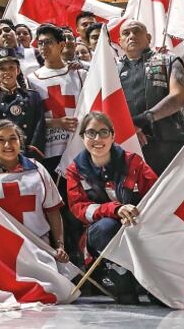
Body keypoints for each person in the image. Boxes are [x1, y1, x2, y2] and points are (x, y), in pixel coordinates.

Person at [65, 112, 157, 304]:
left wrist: (135, 213)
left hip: (137, 227)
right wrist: (115, 210)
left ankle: (153, 282)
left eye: (103, 132)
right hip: (99, 235)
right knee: (108, 226)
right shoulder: (75, 171)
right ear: (82, 138)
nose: (97, 139)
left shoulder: (134, 162)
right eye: (91, 133)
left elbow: (156, 195)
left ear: (113, 136)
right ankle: (121, 279)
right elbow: (79, 209)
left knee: (161, 300)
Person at [0, 120, 67, 263]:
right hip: (1, 252)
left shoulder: (37, 169)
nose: (7, 145)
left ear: (20, 141)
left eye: (12, 139)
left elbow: (52, 210)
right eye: (1, 140)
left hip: (38, 248)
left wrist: (59, 245)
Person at [117, 19, 184, 175]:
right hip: (133, 147)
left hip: (172, 143)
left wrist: (143, 119)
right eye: (126, 33)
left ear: (148, 38)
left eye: (137, 31)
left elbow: (179, 96)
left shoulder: (168, 60)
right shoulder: (112, 72)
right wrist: (129, 128)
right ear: (120, 42)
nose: (131, 36)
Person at [26, 24, 84, 170]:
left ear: (61, 45)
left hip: (79, 145)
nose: (43, 46)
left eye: (49, 42)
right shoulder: (31, 79)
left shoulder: (79, 74)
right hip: (49, 150)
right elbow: (30, 119)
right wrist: (56, 122)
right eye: (40, 43)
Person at [0, 52, 47, 163]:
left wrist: (32, 157)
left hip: (27, 158)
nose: (7, 72)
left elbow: (39, 128)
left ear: (18, 70)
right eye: (2, 69)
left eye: (11, 67)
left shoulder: (32, 97)